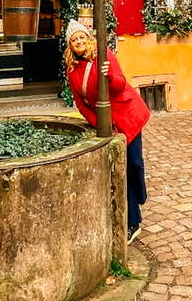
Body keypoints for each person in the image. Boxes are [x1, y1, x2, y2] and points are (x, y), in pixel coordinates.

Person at [64, 19, 150, 244]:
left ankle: (140, 195)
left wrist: (109, 74)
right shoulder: (72, 71)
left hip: (128, 115)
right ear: (70, 46)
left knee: (135, 164)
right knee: (121, 170)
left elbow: (121, 84)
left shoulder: (104, 55)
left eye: (82, 37)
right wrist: (98, 122)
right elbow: (81, 104)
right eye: (74, 39)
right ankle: (133, 221)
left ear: (89, 38)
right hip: (109, 123)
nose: (79, 41)